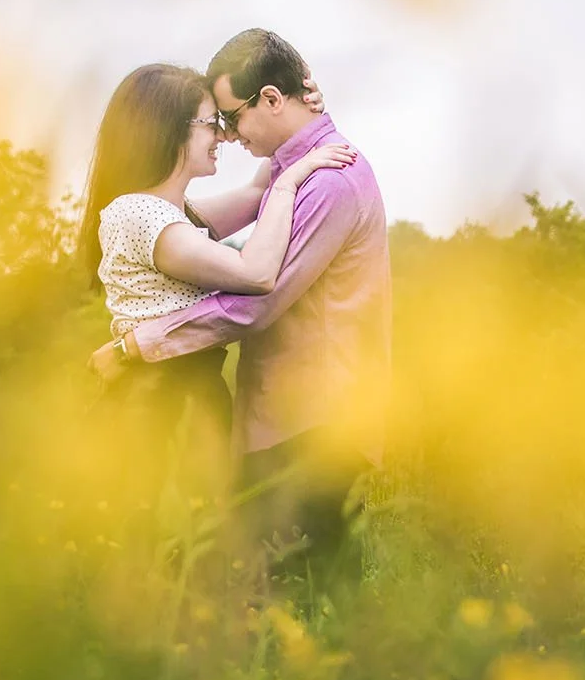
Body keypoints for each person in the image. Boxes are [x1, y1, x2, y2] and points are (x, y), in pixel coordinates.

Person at [90, 30, 391, 589]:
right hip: (278, 418)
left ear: (272, 100)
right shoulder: (285, 173)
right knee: (234, 576)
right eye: (215, 122)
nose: (226, 135)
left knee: (288, 589)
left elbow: (258, 300)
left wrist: (135, 345)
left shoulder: (326, 182)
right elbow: (242, 203)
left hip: (315, 423)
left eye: (231, 118)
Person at [75, 62, 353, 486]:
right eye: (211, 124)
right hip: (158, 402)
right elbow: (256, 272)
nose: (224, 136)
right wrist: (290, 182)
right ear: (167, 129)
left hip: (177, 392)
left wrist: (300, 117)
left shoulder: (170, 215)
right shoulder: (141, 214)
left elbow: (255, 191)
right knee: (166, 543)